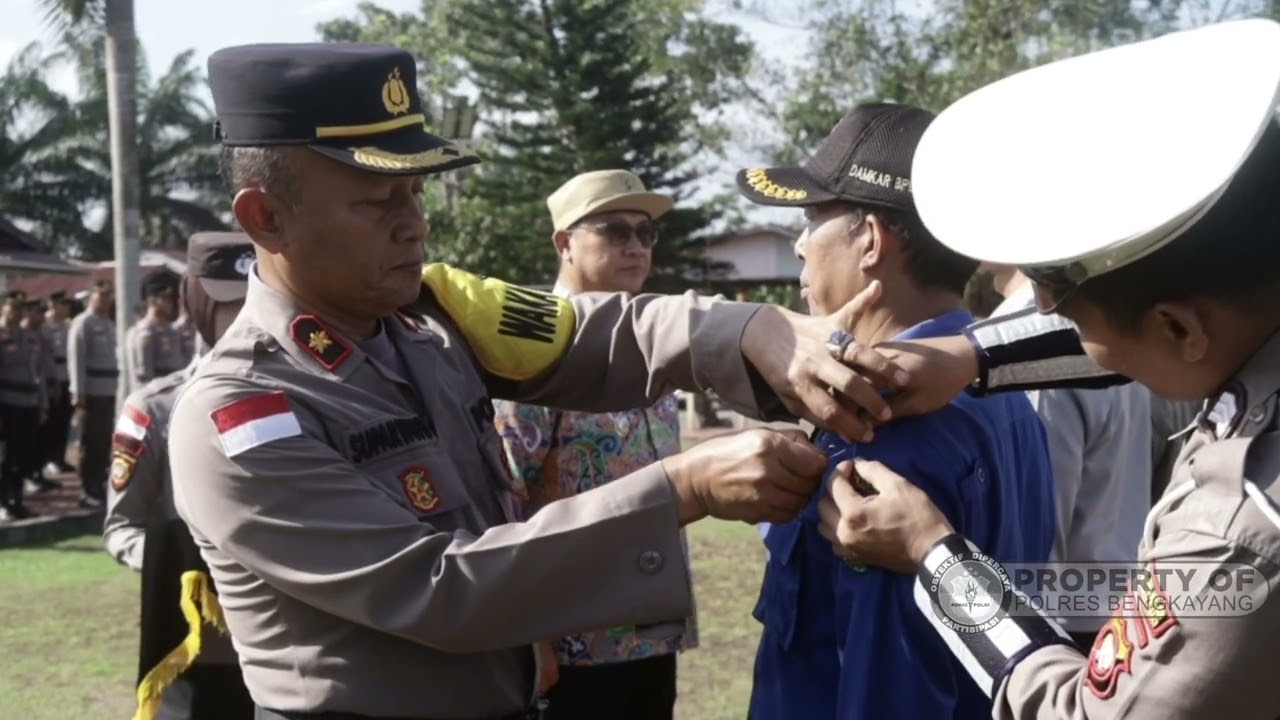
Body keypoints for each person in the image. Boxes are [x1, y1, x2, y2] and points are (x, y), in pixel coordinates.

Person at [169, 42, 907, 720]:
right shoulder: (242, 412)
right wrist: (682, 489)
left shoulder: (432, 322)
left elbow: (590, 332)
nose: (414, 225)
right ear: (266, 217)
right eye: (375, 200)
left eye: (415, 194)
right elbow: (441, 590)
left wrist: (752, 331)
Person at [815, 18, 1280, 719]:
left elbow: (1090, 712)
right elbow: (1128, 347)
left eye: (1063, 301)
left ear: (1179, 326)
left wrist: (936, 556)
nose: (1041, 309)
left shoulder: (1240, 528)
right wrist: (975, 355)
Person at [736, 103, 1056, 720]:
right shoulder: (1001, 391)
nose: (800, 244)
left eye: (812, 218)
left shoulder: (879, 433)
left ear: (872, 241)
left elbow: (887, 691)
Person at [492, 169, 697, 720]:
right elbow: (501, 496)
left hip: (651, 631)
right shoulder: (534, 352)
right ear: (564, 244)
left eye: (645, 233)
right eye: (613, 231)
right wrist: (529, 636)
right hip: (573, 642)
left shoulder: (649, 342)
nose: (635, 246)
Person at [105, 232, 256, 720]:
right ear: (196, 306)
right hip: (199, 648)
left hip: (296, 650)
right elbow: (121, 527)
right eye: (231, 304)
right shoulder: (155, 408)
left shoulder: (316, 400)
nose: (248, 317)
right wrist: (183, 561)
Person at [984, 263, 1153, 648]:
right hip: (1114, 607)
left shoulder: (1021, 333)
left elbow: (1036, 541)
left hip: (1060, 625)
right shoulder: (1102, 312)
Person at [68, 279, 118, 507]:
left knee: (103, 443)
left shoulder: (109, 324)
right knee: (90, 441)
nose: (105, 302)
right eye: (101, 297)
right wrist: (79, 392)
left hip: (109, 390)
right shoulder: (83, 323)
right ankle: (87, 489)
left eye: (108, 297)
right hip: (91, 391)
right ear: (91, 298)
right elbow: (76, 360)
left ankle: (98, 484)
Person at [0, 291, 48, 520]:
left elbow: (37, 373)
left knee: (23, 456)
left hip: (29, 402)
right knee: (6, 457)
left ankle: (18, 501)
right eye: (12, 309)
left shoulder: (28, 337)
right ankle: (3, 502)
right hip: (8, 404)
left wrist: (42, 403)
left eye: (20, 309)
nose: (17, 314)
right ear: (3, 309)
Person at [128, 276, 188, 388]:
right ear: (152, 301)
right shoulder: (146, 330)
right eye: (165, 299)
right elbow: (145, 374)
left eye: (170, 299)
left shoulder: (171, 330)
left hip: (176, 386)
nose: (170, 304)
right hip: (158, 389)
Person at [42, 290, 75, 474]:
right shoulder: (44, 326)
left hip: (66, 378)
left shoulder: (69, 326)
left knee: (64, 421)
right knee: (50, 422)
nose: (66, 308)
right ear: (53, 305)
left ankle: (60, 458)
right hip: (50, 379)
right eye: (63, 304)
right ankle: (48, 458)